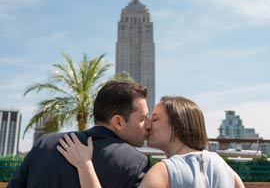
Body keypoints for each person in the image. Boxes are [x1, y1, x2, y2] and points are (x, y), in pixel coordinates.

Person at [58, 96, 245, 188]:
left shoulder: (163, 171)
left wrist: (85, 166)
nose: (148, 125)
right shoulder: (222, 165)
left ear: (176, 124)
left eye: (154, 119)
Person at [8, 80, 151, 188]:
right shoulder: (136, 162)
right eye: (142, 119)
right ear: (118, 122)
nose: (148, 125)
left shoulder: (45, 143)